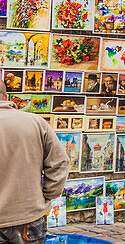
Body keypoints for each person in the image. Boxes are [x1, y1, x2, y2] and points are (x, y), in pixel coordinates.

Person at [0, 90, 69, 244]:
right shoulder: (35, 122)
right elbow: (60, 163)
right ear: (6, 97)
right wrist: (48, 195)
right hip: (29, 215)